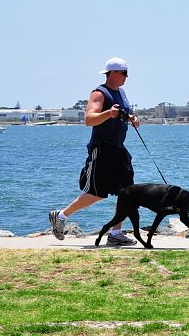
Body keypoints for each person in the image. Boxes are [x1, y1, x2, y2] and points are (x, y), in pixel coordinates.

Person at [49, 57, 141, 246]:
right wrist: (108, 113)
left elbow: (120, 116)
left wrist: (131, 118)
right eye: (124, 72)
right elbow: (89, 119)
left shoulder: (121, 93)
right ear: (113, 73)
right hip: (102, 148)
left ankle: (116, 233)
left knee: (127, 193)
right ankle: (60, 216)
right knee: (96, 193)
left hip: (119, 149)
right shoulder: (100, 93)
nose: (127, 77)